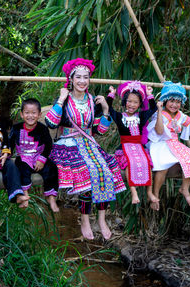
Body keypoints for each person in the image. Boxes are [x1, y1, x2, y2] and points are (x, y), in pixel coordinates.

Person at [45, 58, 126, 240]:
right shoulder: (65, 100)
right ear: (71, 79)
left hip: (89, 144)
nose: (82, 81)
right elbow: (50, 122)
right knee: (89, 173)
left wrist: (105, 110)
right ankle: (85, 218)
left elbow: (101, 131)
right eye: (78, 77)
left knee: (105, 171)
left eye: (86, 77)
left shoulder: (92, 100)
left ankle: (102, 218)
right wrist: (61, 98)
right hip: (68, 146)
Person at [147, 82, 190, 209]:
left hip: (174, 144)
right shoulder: (159, 113)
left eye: (178, 102)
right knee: (162, 165)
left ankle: (185, 188)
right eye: (171, 101)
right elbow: (159, 131)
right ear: (165, 100)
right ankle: (155, 196)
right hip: (160, 144)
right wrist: (160, 111)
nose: (174, 105)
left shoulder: (180, 116)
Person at [106, 81, 159, 207]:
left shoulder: (142, 115)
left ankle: (149, 192)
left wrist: (149, 95)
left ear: (140, 104)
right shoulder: (119, 117)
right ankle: (133, 192)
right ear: (124, 102)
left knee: (147, 162)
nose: (132, 105)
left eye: (135, 102)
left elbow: (153, 109)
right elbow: (108, 108)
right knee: (131, 162)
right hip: (124, 147)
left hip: (139, 147)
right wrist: (111, 95)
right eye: (129, 101)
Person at [9, 98, 59, 212]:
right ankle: (25, 194)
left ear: (39, 114)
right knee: (20, 167)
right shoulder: (16, 128)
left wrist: (42, 159)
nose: (30, 116)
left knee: (52, 168)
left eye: (33, 113)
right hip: (23, 157)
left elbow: (48, 144)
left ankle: (51, 197)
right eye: (27, 113)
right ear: (22, 114)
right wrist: (6, 154)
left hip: (38, 157)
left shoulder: (42, 129)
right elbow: (9, 143)